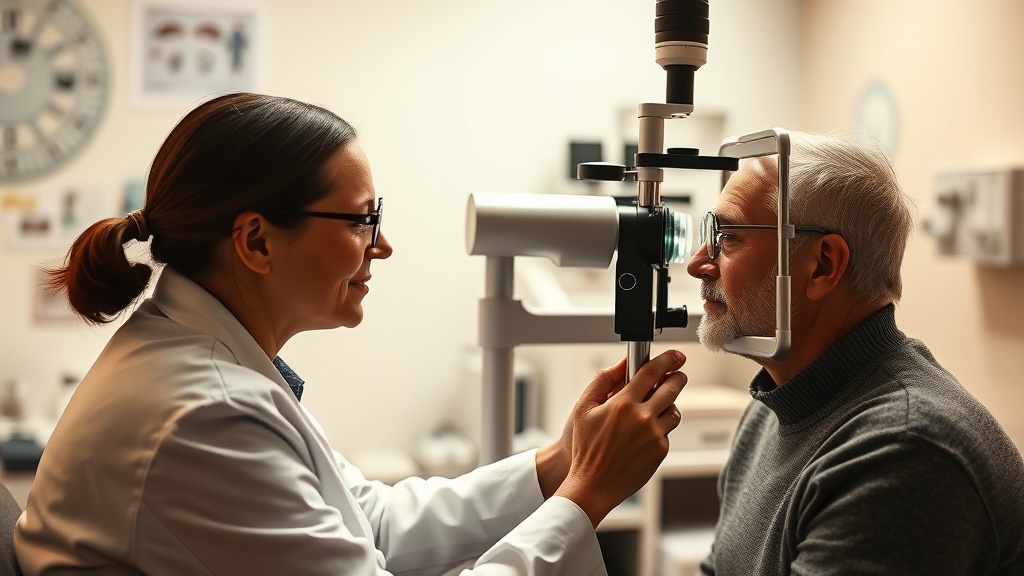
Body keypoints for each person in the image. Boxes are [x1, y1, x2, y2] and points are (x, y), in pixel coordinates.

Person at [14, 92, 688, 576]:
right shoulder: (203, 414)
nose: (382, 245)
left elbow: (375, 523)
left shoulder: (210, 364)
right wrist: (587, 498)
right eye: (361, 220)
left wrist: (563, 461)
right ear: (255, 241)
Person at [685, 130, 1024, 575]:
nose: (696, 262)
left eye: (727, 237)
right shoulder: (772, 408)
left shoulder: (900, 453)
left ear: (823, 265)